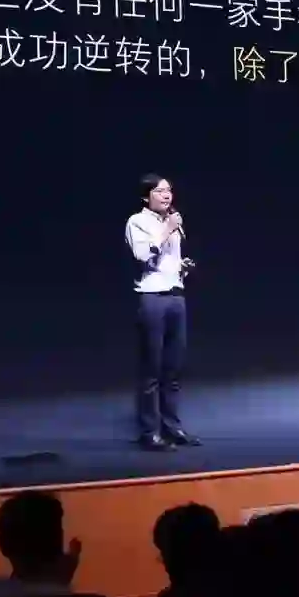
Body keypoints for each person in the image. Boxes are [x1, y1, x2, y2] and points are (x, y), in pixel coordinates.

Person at [125, 174, 201, 451]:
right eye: (159, 191)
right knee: (152, 370)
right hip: (152, 298)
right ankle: (150, 432)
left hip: (176, 296)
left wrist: (182, 266)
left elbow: (166, 260)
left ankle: (172, 427)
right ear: (146, 197)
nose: (166, 195)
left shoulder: (172, 221)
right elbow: (143, 256)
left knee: (174, 367)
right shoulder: (137, 222)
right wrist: (167, 229)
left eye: (168, 190)